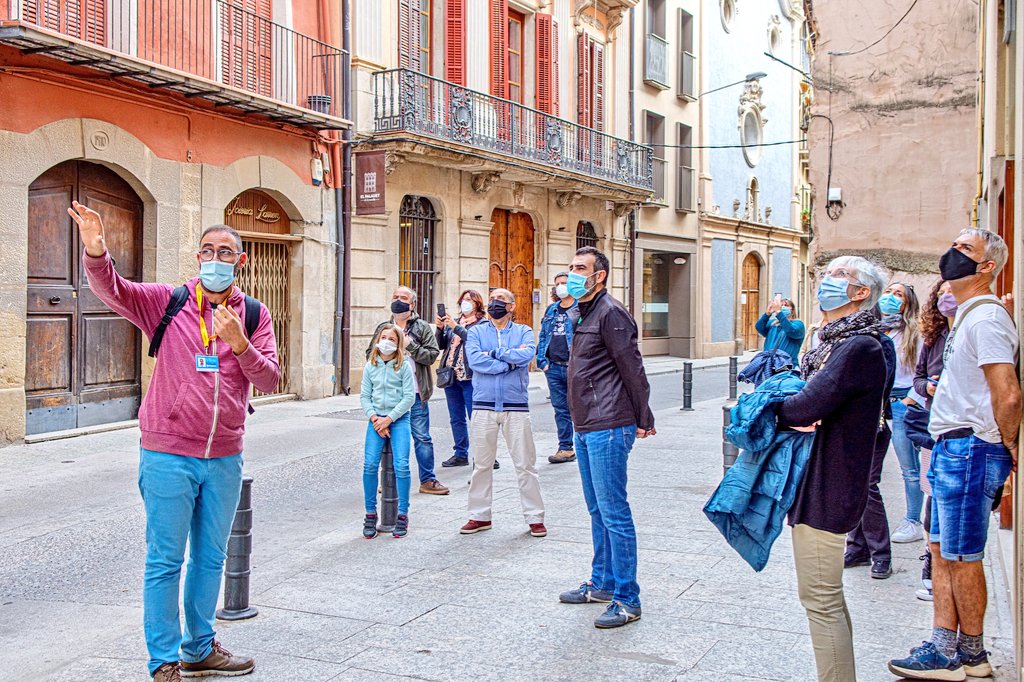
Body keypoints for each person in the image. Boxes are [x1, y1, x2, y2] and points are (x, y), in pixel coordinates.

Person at [69, 202, 279, 682]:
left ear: (239, 261)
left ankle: (199, 648)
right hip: (167, 452)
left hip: (225, 454)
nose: (214, 257)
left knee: (210, 558)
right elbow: (113, 290)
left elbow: (269, 380)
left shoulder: (252, 314)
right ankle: (163, 661)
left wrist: (241, 344)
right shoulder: (170, 301)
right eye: (207, 249)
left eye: (225, 251)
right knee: (165, 559)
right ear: (198, 255)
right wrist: (96, 248)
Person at [889, 229, 1019, 680]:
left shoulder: (986, 320)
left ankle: (971, 655)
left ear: (987, 267)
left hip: (971, 448)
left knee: (962, 556)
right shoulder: (969, 316)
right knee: (943, 551)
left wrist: (1011, 447)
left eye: (965, 249)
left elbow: (1007, 392)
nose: (952, 254)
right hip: (954, 447)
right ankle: (949, 647)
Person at [776, 256, 889, 681]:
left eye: (840, 276)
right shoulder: (832, 343)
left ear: (861, 293)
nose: (827, 280)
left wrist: (779, 406)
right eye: (827, 274)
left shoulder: (858, 347)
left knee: (820, 598)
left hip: (831, 484)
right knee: (826, 597)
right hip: (820, 481)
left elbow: (803, 404)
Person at [557, 246, 655, 630]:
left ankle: (627, 598)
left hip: (609, 424)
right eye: (570, 268)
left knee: (614, 512)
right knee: (598, 510)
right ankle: (602, 583)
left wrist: (643, 416)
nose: (572, 274)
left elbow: (633, 369)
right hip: (586, 425)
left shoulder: (611, 313)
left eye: (580, 268)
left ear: (599, 276)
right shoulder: (584, 311)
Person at [460, 289, 546, 537]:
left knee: (525, 464)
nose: (494, 303)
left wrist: (496, 354)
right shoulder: (476, 331)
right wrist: (510, 361)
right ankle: (479, 515)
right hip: (483, 405)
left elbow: (527, 354)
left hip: (515, 406)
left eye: (501, 300)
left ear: (511, 306)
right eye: (492, 299)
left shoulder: (524, 331)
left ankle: (535, 518)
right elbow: (475, 361)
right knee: (481, 465)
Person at [366, 288, 449, 495]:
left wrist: (410, 346)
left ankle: (428, 480)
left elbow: (431, 356)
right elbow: (370, 355)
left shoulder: (421, 328)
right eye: (395, 297)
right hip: (387, 397)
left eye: (403, 298)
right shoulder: (384, 328)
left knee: (422, 437)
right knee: (387, 439)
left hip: (416, 394)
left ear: (412, 305)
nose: (398, 301)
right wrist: (385, 349)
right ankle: (387, 480)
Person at [906, 279, 954, 602]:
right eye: (942, 292)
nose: (946, 297)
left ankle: (940, 569)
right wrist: (928, 389)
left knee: (943, 503)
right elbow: (919, 378)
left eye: (952, 291)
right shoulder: (933, 338)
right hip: (931, 429)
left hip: (956, 432)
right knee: (930, 497)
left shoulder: (965, 332)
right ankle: (930, 562)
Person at [843, 303, 897, 580]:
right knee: (855, 484)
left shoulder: (879, 342)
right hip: (846, 426)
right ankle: (857, 547)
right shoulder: (842, 339)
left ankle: (881, 553)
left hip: (872, 424)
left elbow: (881, 384)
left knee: (867, 485)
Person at [877, 282, 925, 543]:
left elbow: (924, 370)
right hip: (879, 403)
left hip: (903, 403)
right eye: (888, 292)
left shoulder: (914, 333)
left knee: (909, 467)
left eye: (898, 295)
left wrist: (910, 400)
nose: (891, 298)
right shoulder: (876, 329)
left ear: (907, 303)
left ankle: (913, 520)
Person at [360, 324, 416, 539]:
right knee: (370, 465)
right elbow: (365, 395)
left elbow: (409, 397)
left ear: (398, 343)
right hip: (375, 420)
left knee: (401, 465)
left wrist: (389, 419)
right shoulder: (370, 365)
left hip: (398, 419)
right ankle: (370, 514)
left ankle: (402, 514)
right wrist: (375, 418)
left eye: (392, 339)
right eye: (384, 337)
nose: (386, 342)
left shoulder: (403, 366)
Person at [436, 290, 487, 468]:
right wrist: (441, 328)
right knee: (456, 417)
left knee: (477, 417)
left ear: (477, 304)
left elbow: (474, 341)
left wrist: (455, 327)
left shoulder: (483, 324)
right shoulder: (456, 322)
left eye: (469, 300)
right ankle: (460, 453)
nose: (465, 303)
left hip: (470, 377)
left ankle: (486, 455)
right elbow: (442, 345)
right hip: (451, 376)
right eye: (463, 300)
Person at [537, 272, 578, 464]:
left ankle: (584, 445)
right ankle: (565, 447)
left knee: (579, 407)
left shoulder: (581, 308)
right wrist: (542, 362)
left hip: (575, 367)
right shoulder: (551, 310)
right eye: (557, 284)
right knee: (560, 409)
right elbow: (543, 336)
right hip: (553, 367)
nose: (560, 287)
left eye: (564, 283)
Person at [755, 296, 806, 365]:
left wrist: (779, 313)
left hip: (787, 365)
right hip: (769, 364)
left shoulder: (798, 324)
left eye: (786, 305)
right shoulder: (773, 323)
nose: (782, 307)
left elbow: (790, 331)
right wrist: (767, 314)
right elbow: (759, 327)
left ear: (792, 310)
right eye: (781, 306)